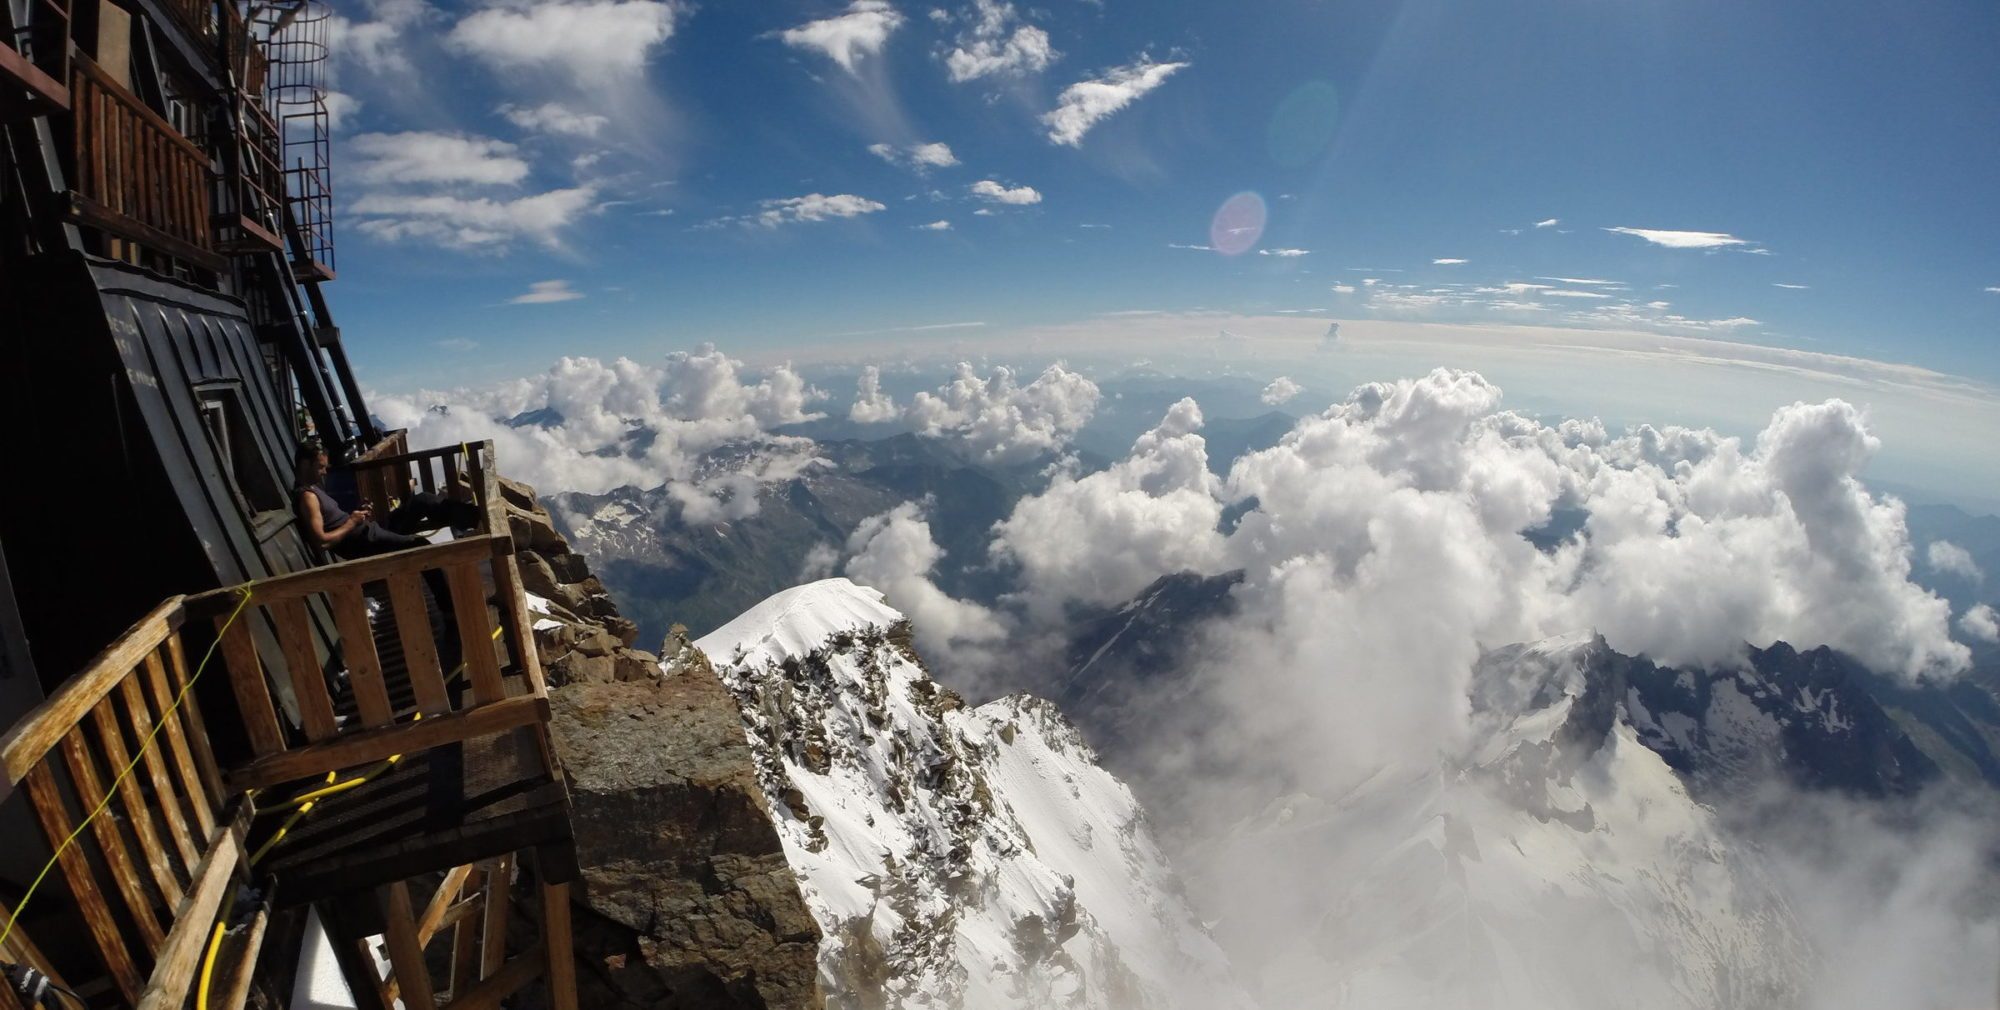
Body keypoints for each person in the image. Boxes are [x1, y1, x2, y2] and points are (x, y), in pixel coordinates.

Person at [294, 442, 480, 559]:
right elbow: (321, 543)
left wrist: (358, 514)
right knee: (420, 547)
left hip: (372, 531)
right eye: (320, 467)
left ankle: (475, 519)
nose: (324, 472)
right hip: (366, 544)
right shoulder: (308, 497)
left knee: (422, 500)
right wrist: (352, 522)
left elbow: (336, 522)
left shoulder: (314, 489)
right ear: (304, 464)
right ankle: (448, 610)